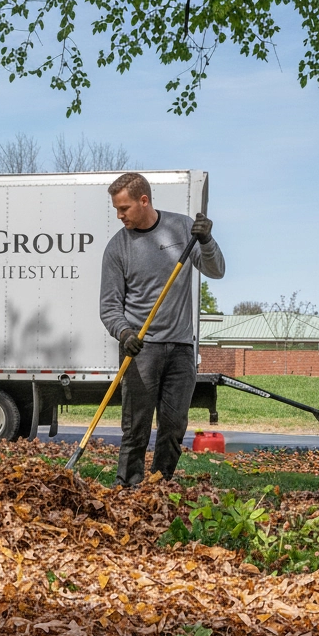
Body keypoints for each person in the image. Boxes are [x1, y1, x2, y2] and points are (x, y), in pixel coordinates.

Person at [99, 172, 225, 486]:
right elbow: (109, 306)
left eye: (124, 208)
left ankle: (159, 484)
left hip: (181, 347)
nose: (120, 215)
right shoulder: (118, 248)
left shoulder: (181, 229)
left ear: (144, 200)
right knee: (136, 427)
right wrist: (124, 333)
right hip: (141, 348)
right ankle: (127, 486)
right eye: (116, 209)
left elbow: (216, 271)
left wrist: (207, 241)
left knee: (173, 427)